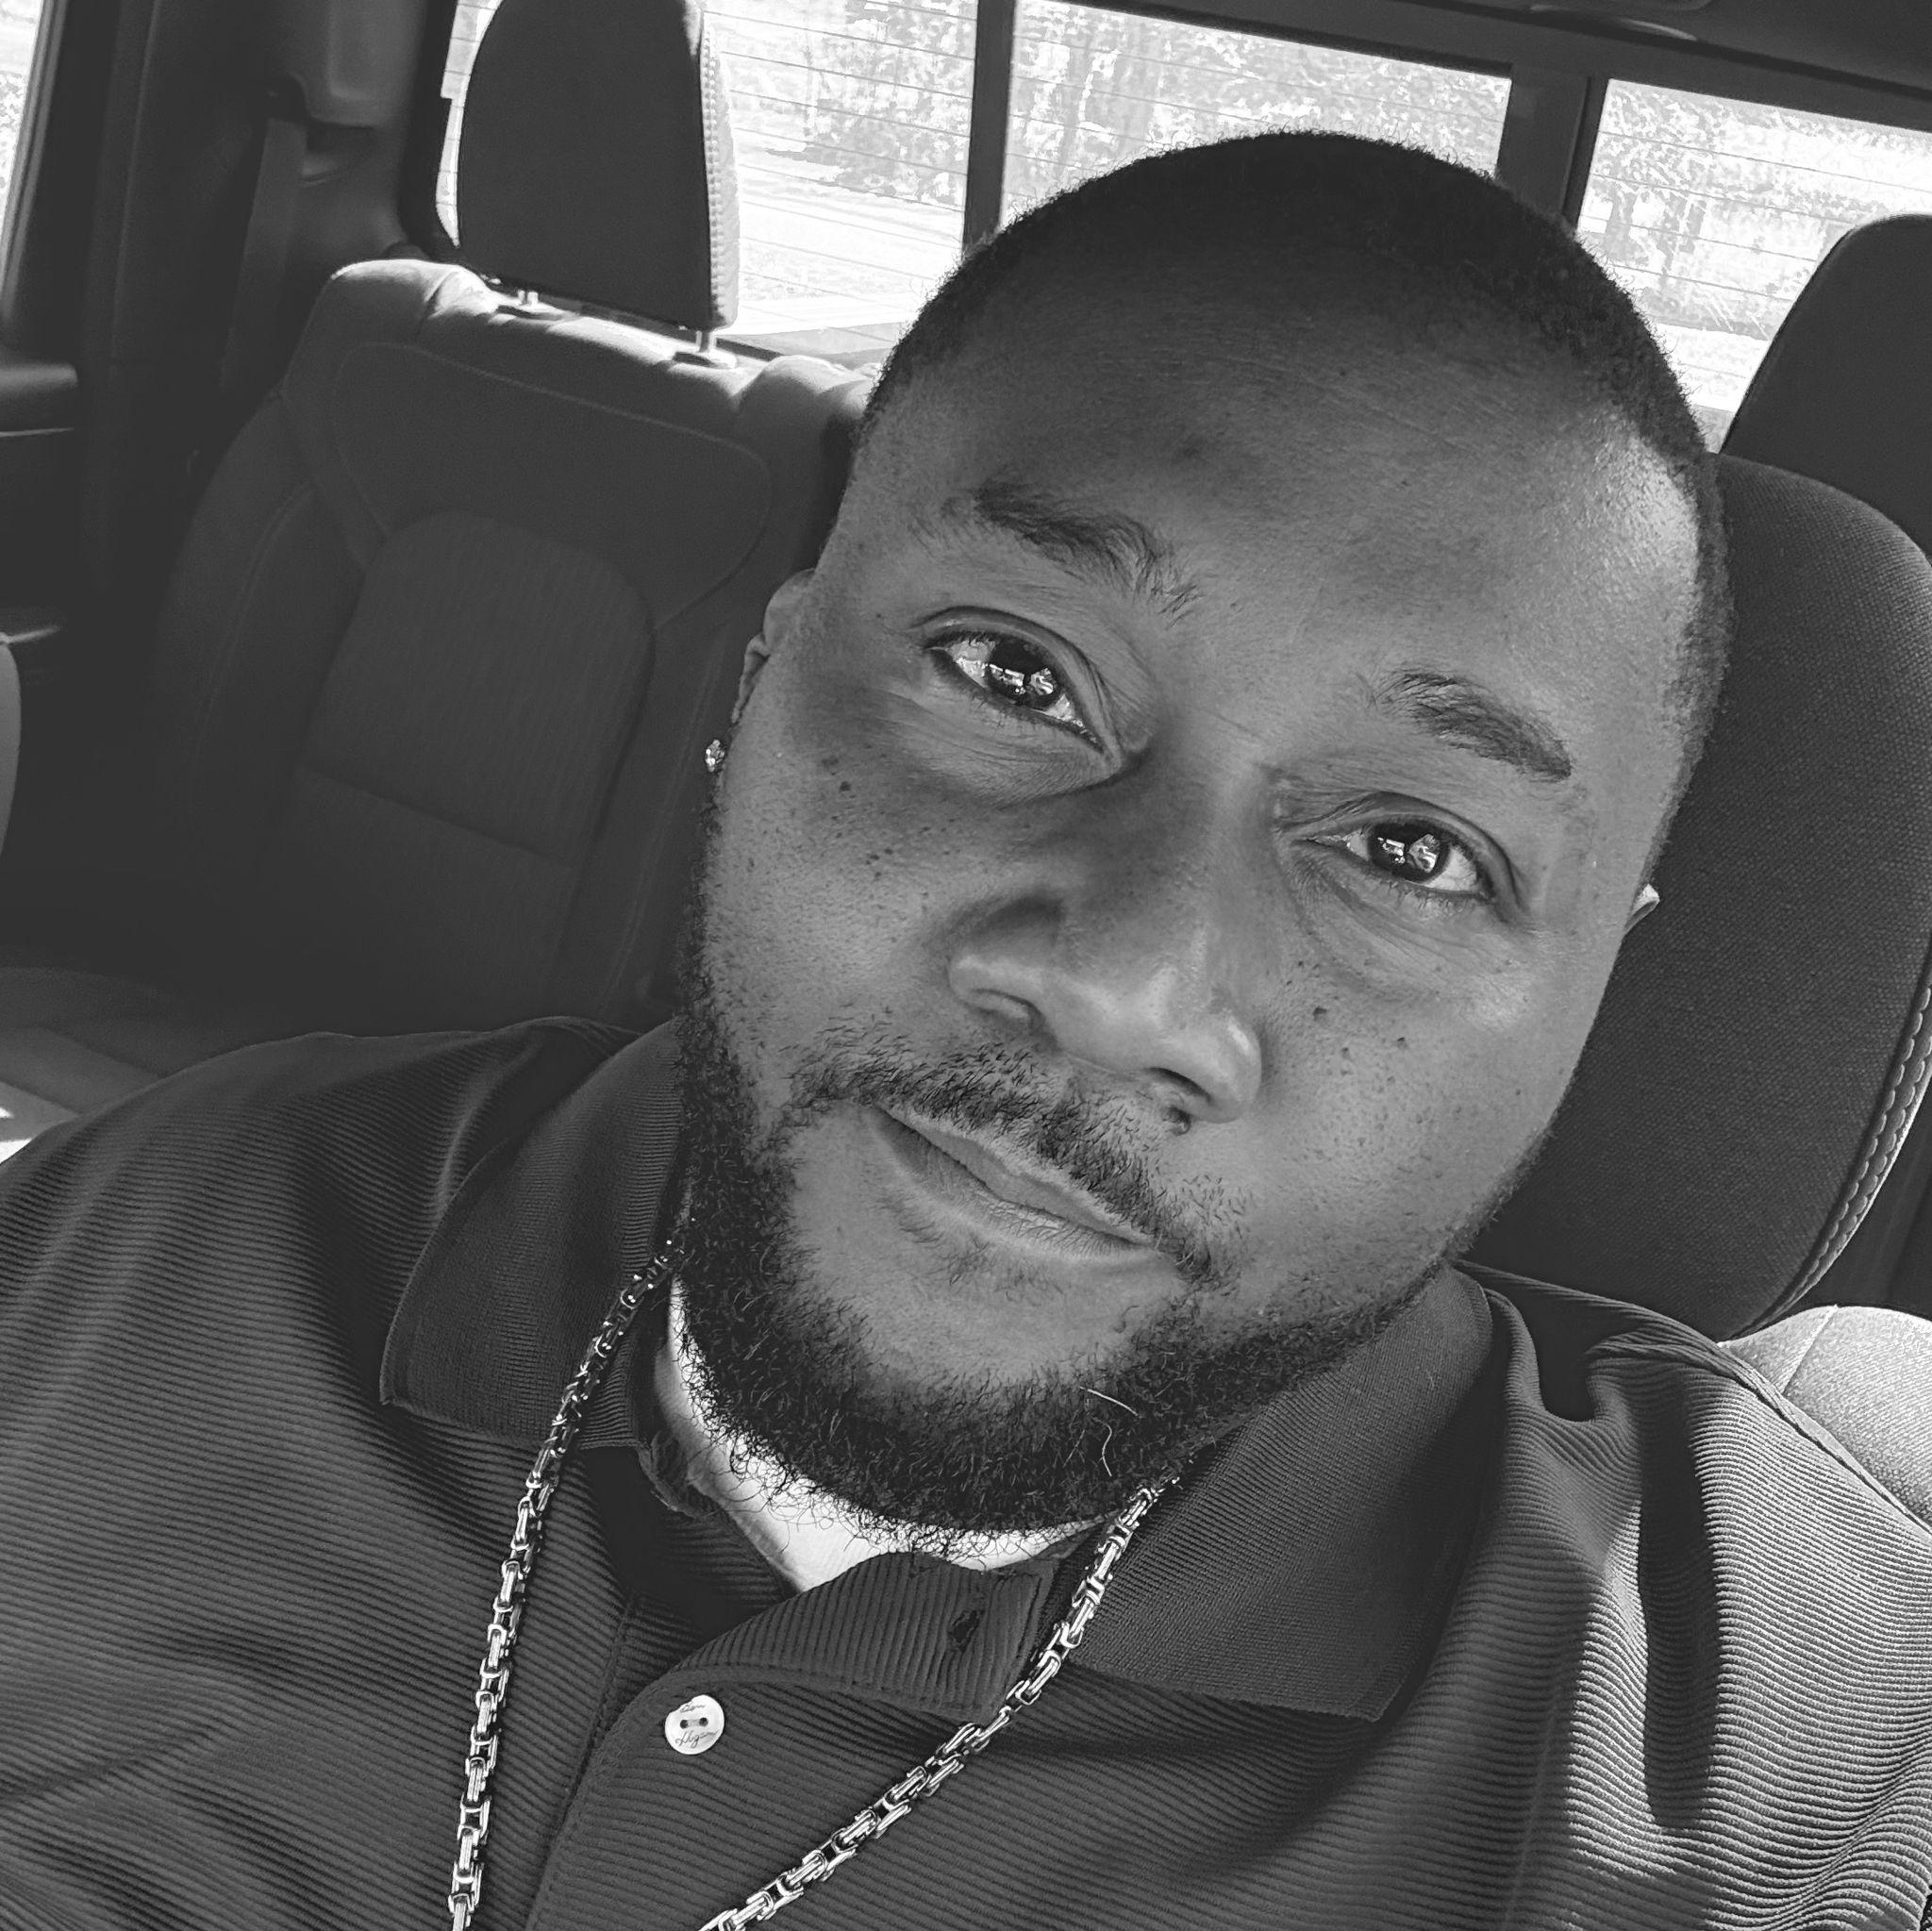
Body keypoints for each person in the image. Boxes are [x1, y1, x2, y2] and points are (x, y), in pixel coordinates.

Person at [5, 132, 1929, 1931]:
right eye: (1016, 674)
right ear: (759, 683)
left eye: (1411, 850)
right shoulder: (128, 1269)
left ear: (1597, 985)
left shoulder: (1795, 1752)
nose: (1124, 983)